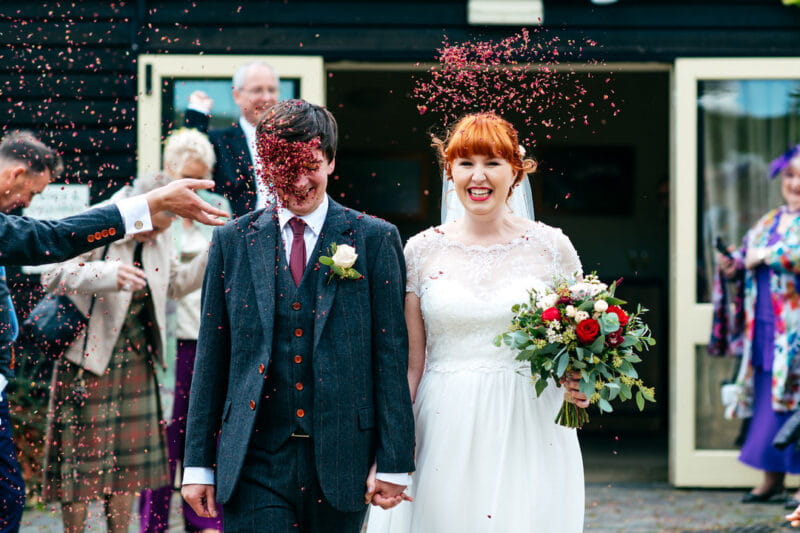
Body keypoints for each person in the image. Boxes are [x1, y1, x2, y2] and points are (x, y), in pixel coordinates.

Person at [181, 99, 415, 533]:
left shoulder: (375, 239)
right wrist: (197, 464)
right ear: (265, 166)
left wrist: (395, 461)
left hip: (344, 458)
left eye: (310, 164)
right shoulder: (232, 242)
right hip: (253, 457)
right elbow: (213, 355)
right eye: (284, 167)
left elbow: (390, 355)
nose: (300, 180)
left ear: (330, 161)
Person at [366, 113, 587, 533]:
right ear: (450, 171)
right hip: (443, 419)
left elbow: (573, 345)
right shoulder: (420, 250)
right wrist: (389, 449)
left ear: (516, 172)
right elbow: (412, 364)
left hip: (529, 421)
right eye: (466, 163)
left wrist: (581, 381)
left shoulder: (552, 246)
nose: (478, 176)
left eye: (492, 162)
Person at [0, 131, 225, 533]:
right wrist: (106, 274)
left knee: (128, 471)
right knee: (80, 472)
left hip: (136, 361)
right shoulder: (105, 218)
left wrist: (215, 252)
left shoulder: (161, 234)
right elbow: (53, 271)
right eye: (154, 224)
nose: (157, 234)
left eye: (164, 227)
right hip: (87, 360)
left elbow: (173, 284)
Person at [137, 128, 229, 533]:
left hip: (209, 337)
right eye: (186, 176)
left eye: (201, 177)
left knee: (206, 436)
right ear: (170, 171)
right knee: (163, 443)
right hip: (168, 342)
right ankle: (154, 523)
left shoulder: (220, 208)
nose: (195, 187)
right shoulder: (153, 209)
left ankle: (203, 522)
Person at [719, 144, 800, 508]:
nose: (795, 183)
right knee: (770, 399)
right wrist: (734, 264)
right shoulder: (770, 220)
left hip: (796, 330)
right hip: (767, 325)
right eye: (790, 175)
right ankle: (771, 480)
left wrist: (765, 256)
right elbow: (748, 253)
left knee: (796, 402)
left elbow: (777, 256)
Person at [185, 61, 280, 216]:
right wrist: (197, 113)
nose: (266, 97)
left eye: (272, 90)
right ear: (237, 95)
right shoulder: (220, 142)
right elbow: (188, 156)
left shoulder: (290, 140)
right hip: (235, 234)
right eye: (257, 90)